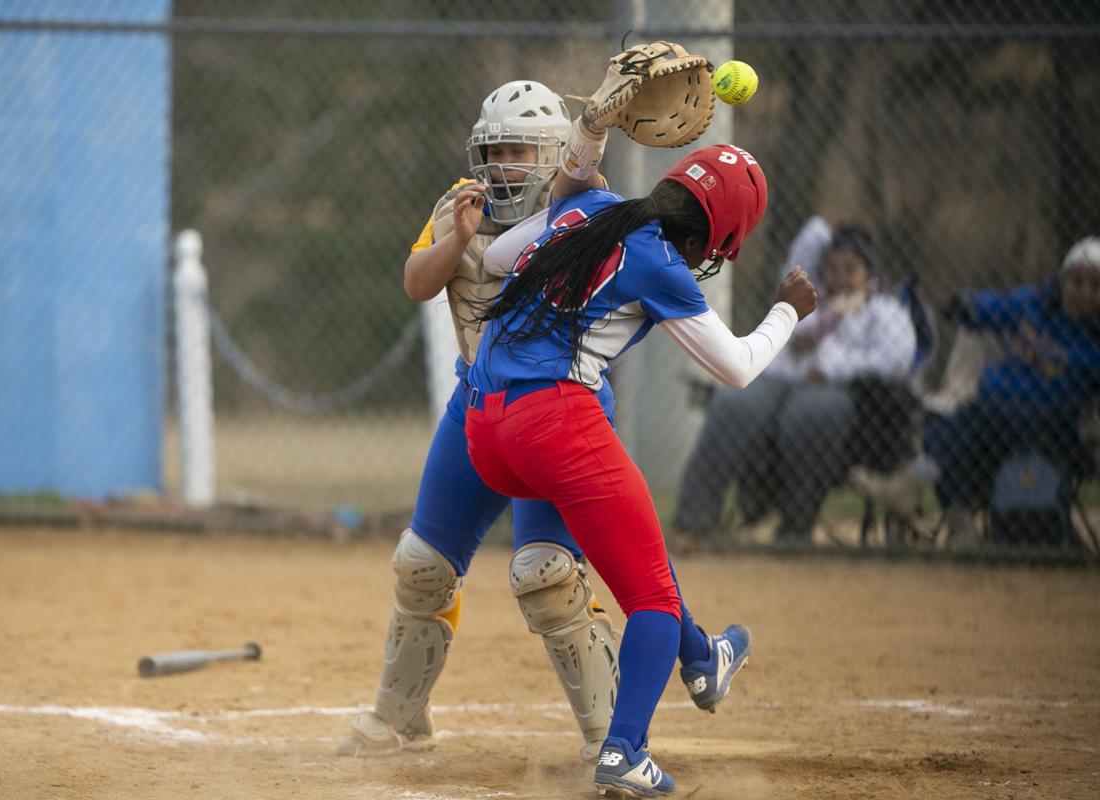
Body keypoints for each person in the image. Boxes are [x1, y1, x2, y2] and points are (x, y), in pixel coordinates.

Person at [338, 80, 741, 765]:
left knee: (546, 574)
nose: (501, 166)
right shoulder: (459, 204)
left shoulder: (585, 208)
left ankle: (608, 736)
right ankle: (398, 717)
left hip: (560, 408)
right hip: (479, 404)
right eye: (492, 151)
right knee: (421, 566)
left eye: (518, 150)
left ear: (556, 152)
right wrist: (457, 237)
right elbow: (415, 281)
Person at [464, 132, 818, 796]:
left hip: (485, 428)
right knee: (650, 598)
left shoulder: (596, 209)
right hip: (554, 423)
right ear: (716, 241)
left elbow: (502, 255)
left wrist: (578, 171)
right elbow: (738, 368)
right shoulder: (660, 260)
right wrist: (786, 313)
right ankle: (625, 751)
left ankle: (702, 657)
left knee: (637, 549)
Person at [674, 221, 917, 541]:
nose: (840, 277)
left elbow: (895, 358)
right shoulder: (811, 297)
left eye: (850, 268)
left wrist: (831, 368)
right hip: (783, 378)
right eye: (832, 268)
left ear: (868, 271)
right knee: (732, 403)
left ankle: (794, 528)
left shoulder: (881, 309)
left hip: (838, 390)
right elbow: (813, 231)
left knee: (807, 416)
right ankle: (694, 521)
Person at [877, 236, 1100, 545]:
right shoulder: (1034, 306)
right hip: (994, 417)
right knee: (946, 429)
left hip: (1050, 430)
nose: (1084, 292)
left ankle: (911, 484)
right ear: (1062, 281)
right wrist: (964, 305)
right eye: (1077, 281)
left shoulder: (1094, 344)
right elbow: (997, 307)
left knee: (971, 421)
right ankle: (961, 523)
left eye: (1095, 286)